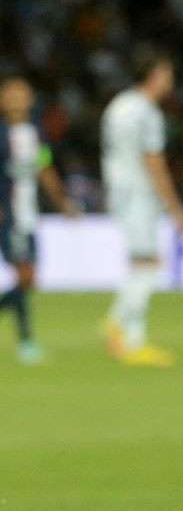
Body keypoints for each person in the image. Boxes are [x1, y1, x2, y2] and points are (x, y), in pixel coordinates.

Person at [100, 51, 183, 367]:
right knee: (146, 264)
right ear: (153, 75)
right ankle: (129, 337)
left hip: (118, 190)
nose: (170, 81)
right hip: (139, 193)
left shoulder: (118, 105)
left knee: (143, 262)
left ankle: (117, 327)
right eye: (166, 74)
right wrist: (175, 207)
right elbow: (153, 161)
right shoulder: (147, 112)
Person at [0, 76, 79, 363]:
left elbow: (44, 167)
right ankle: (26, 342)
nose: (17, 101)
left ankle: (26, 341)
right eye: (11, 96)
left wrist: (63, 202)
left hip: (29, 215)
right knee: (24, 275)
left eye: (22, 96)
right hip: (8, 215)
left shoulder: (35, 132)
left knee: (30, 279)